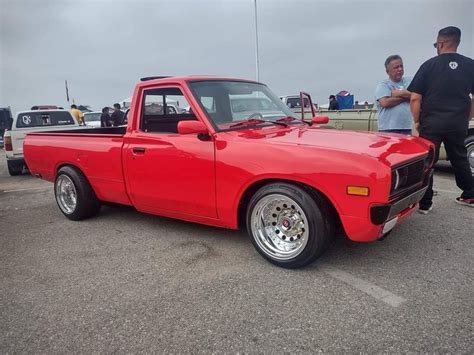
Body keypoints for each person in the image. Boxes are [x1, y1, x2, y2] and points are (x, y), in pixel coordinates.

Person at [408, 26, 474, 212]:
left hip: (432, 123)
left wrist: (417, 121)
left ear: (442, 43)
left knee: (428, 161)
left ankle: (425, 203)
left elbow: (415, 97)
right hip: (457, 123)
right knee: (459, 158)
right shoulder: (471, 65)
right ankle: (470, 194)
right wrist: (467, 117)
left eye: (436, 44)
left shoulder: (429, 66)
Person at [374, 55, 412, 134]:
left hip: (406, 128)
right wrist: (406, 96)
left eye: (401, 66)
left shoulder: (409, 81)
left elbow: (416, 95)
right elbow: (385, 103)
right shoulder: (383, 85)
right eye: (396, 67)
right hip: (388, 129)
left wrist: (399, 93)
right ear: (388, 71)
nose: (400, 69)